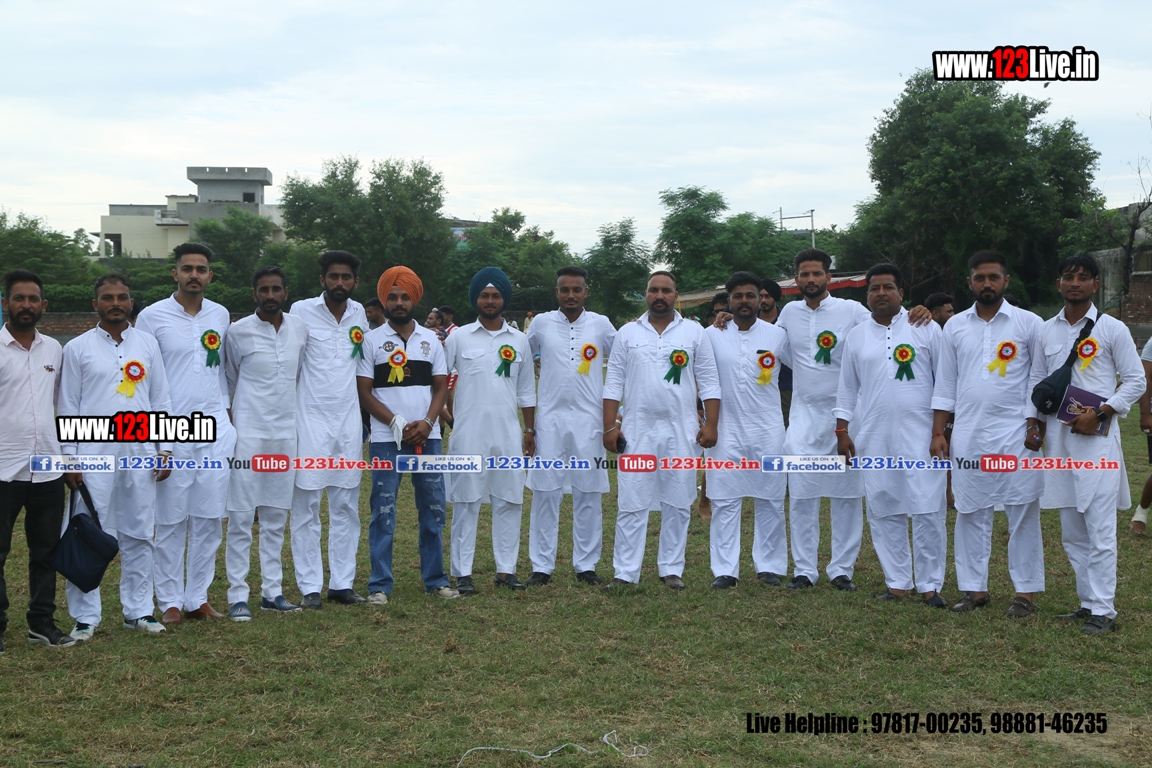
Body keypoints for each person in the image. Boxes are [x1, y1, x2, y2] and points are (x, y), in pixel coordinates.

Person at [929, 251, 1046, 617]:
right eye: (980, 278)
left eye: (994, 277)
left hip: (1017, 434)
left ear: (1005, 281)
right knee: (970, 510)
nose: (987, 284)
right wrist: (938, 432)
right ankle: (974, 590)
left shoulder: (1029, 323)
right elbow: (945, 383)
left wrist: (1034, 424)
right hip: (969, 434)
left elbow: (1038, 379)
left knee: (1021, 511)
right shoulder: (955, 326)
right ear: (970, 282)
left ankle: (1025, 593)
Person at [59, 273, 173, 639]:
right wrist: (70, 458)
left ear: (131, 302)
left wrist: (165, 448)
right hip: (93, 453)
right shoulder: (77, 348)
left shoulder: (148, 344)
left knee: (140, 531)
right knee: (87, 531)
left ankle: (138, 611)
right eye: (107, 298)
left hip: (140, 453)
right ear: (95, 304)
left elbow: (160, 399)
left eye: (122, 297)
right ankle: (85, 616)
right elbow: (68, 406)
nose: (115, 303)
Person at [1038, 254, 1144, 634]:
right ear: (1059, 284)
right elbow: (1038, 380)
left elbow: (1136, 380)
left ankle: (1104, 610)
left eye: (1083, 277)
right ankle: (1087, 602)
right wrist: (1034, 424)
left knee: (1099, 528)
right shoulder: (1046, 330)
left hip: (1097, 441)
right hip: (1058, 440)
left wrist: (1100, 413)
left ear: (1095, 285)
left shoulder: (1112, 328)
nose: (1075, 283)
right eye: (1069, 277)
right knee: (1071, 530)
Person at [835, 263, 948, 606]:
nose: (880, 293)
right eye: (874, 288)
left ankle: (930, 585)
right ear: (867, 294)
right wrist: (842, 430)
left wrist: (939, 431)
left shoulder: (925, 327)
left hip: (922, 436)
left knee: (927, 508)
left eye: (887, 287)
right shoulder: (856, 336)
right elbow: (847, 388)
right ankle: (897, 582)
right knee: (884, 507)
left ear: (901, 292)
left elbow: (944, 383)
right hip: (874, 435)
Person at [136, 243, 237, 625]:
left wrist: (226, 419)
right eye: (187, 268)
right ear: (175, 273)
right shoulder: (151, 316)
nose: (194, 274)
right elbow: (144, 378)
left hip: (214, 427)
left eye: (201, 269)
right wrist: (155, 438)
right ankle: (170, 601)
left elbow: (220, 371)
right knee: (171, 518)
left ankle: (197, 597)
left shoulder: (220, 314)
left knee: (209, 518)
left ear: (210, 275)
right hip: (172, 428)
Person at [603, 271, 720, 590]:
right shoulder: (627, 333)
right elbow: (613, 383)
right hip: (636, 432)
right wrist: (609, 426)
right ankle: (625, 573)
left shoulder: (694, 333)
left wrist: (711, 424)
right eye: (653, 290)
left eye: (666, 290)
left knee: (678, 501)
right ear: (646, 294)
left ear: (675, 296)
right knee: (631, 501)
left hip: (681, 432)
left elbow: (709, 382)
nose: (659, 295)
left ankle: (671, 569)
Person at [357, 267, 458, 602]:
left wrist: (428, 422)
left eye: (404, 297)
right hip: (386, 440)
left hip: (427, 438)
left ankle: (436, 580)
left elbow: (441, 387)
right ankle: (379, 585)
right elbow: (365, 392)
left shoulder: (431, 340)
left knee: (433, 508)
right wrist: (396, 423)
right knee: (383, 511)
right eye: (392, 297)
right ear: (384, 301)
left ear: (414, 299)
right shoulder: (371, 340)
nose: (398, 303)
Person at [223, 267, 309, 620]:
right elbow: (230, 380)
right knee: (242, 516)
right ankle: (237, 595)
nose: (270, 295)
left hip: (285, 433)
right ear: (254, 293)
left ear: (286, 293)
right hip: (248, 434)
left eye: (276, 289)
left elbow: (298, 375)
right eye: (264, 290)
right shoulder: (237, 331)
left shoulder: (299, 328)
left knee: (275, 515)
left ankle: (272, 592)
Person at [444, 267, 536, 593]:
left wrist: (529, 429)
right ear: (476, 299)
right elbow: (440, 381)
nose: (490, 301)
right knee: (466, 502)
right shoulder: (458, 337)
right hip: (468, 434)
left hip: (508, 434)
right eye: (484, 295)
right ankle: (463, 573)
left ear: (504, 300)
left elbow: (527, 391)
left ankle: (506, 571)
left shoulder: (519, 340)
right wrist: (445, 416)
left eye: (496, 296)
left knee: (509, 500)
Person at [524, 266, 617, 587]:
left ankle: (586, 565)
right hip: (549, 422)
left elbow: (626, 355)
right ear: (557, 293)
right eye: (565, 290)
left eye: (577, 289)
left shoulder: (601, 324)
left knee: (588, 492)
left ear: (585, 292)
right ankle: (541, 565)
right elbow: (519, 354)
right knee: (545, 493)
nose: (571, 295)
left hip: (590, 423)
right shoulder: (541, 323)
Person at [289, 251, 369, 609]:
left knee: (346, 505)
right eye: (333, 276)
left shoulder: (359, 314)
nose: (340, 282)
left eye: (346, 277)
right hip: (309, 420)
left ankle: (342, 583)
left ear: (355, 282)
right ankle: (309, 587)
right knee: (306, 504)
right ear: (322, 280)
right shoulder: (301, 311)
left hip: (348, 423)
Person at [0, 270, 75, 650]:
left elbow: (63, 406)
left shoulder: (55, 351)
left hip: (48, 468)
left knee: (45, 552)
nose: (26, 305)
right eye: (19, 298)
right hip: (3, 469)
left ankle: (41, 623)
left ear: (43, 305)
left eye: (33, 299)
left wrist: (69, 460)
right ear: (5, 304)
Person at [704, 272, 790, 589]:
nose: (745, 301)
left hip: (768, 428)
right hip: (725, 429)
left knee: (770, 498)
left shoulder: (777, 335)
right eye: (738, 296)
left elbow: (807, 366)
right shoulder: (711, 335)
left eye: (751, 295)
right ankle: (725, 570)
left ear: (760, 299)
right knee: (725, 499)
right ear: (728, 300)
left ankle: (769, 566)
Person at [760, 278, 792, 427]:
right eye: (760, 296)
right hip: (758, 385)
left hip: (785, 384)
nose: (763, 300)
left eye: (768, 296)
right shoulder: (750, 322)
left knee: (785, 426)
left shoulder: (787, 321)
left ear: (775, 297)